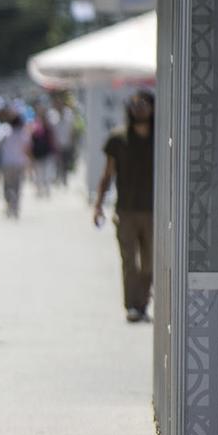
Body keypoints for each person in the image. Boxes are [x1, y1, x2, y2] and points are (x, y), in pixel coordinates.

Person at [95, 89, 157, 322]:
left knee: (149, 262)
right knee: (129, 260)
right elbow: (107, 173)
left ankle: (142, 301)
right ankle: (132, 305)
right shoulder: (118, 138)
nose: (139, 108)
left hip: (154, 211)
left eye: (143, 104)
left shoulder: (162, 138)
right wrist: (98, 205)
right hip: (127, 209)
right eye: (135, 104)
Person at [0, 103, 31, 219]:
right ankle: (15, 206)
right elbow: (27, 147)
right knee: (17, 185)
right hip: (19, 162)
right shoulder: (22, 132)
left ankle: (9, 204)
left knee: (8, 185)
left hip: (7, 162)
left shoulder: (4, 129)